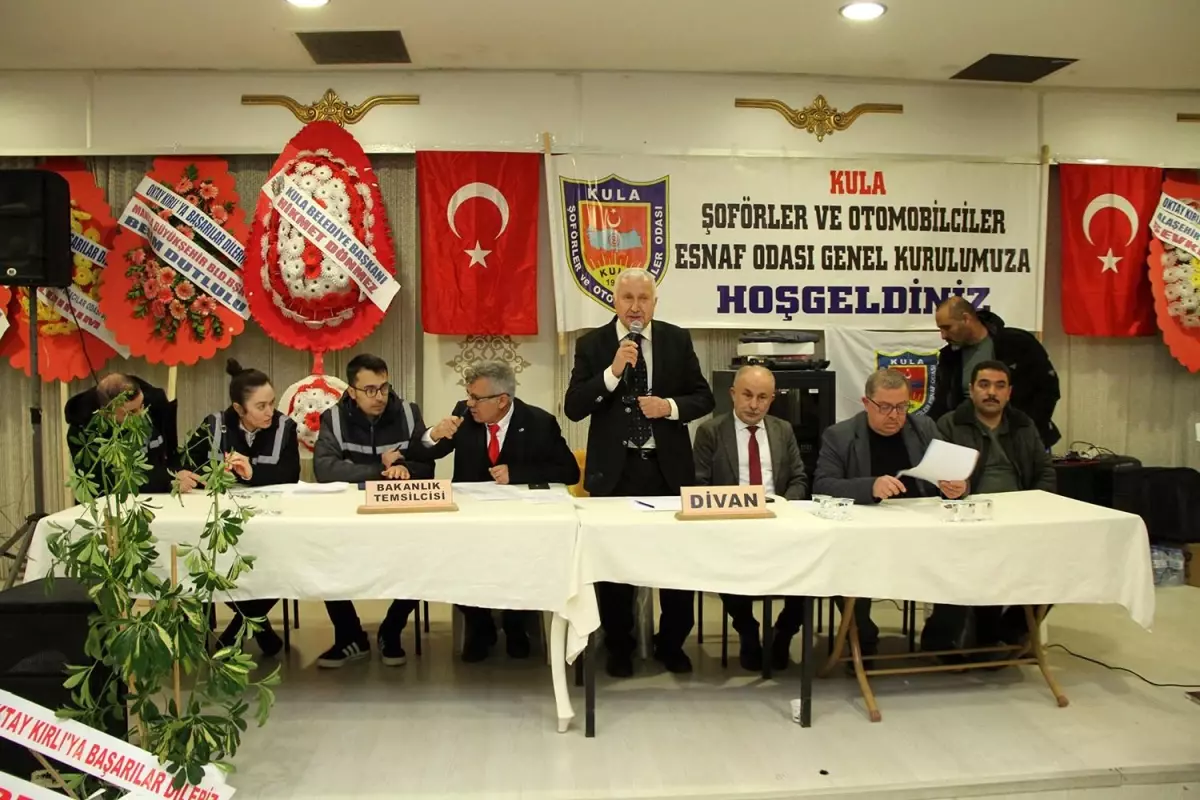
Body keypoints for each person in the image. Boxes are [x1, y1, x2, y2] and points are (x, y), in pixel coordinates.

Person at [564, 267, 715, 677]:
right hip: (616, 474)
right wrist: (612, 373)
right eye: (628, 298)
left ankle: (672, 643)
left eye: (643, 298)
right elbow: (574, 406)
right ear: (614, 301)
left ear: (654, 303)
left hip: (667, 472)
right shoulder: (593, 344)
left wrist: (669, 407)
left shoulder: (676, 339)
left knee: (677, 565)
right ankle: (619, 645)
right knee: (615, 568)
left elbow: (704, 398)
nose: (635, 307)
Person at [412, 360, 580, 662]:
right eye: (468, 395)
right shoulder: (464, 414)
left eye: (476, 398)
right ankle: (481, 626)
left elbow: (569, 471)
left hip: (519, 522)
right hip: (471, 522)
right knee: (451, 558)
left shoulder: (539, 422)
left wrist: (518, 473)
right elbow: (422, 452)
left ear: (502, 400)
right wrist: (434, 433)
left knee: (524, 560)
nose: (469, 403)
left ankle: (516, 626)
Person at [812, 368, 967, 655]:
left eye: (902, 407)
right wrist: (870, 486)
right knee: (841, 559)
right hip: (865, 536)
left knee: (965, 560)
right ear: (866, 402)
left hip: (924, 531)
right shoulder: (840, 435)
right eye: (884, 407)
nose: (894, 415)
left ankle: (939, 638)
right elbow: (822, 485)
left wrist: (957, 487)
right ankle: (863, 638)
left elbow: (952, 475)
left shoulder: (924, 429)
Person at [921, 360, 1056, 656]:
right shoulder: (950, 424)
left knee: (1060, 564)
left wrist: (1038, 505)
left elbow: (1045, 471)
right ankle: (959, 638)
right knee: (973, 566)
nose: (991, 392)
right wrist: (957, 492)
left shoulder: (1023, 424)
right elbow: (939, 478)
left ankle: (1009, 633)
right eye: (984, 385)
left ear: (1009, 392)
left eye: (999, 386)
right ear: (971, 390)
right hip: (969, 517)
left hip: (1021, 516)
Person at [313, 354, 435, 668]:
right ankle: (349, 635)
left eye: (383, 387)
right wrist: (379, 470)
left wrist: (405, 468)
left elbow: (426, 466)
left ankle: (392, 629)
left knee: (425, 555)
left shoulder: (408, 413)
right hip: (348, 516)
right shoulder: (334, 418)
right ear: (351, 391)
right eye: (369, 390)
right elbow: (325, 469)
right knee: (323, 556)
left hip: (399, 514)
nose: (379, 396)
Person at [692, 365, 808, 672]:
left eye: (762, 397)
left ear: (772, 399)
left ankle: (785, 632)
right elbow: (699, 485)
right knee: (724, 562)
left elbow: (799, 478)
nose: (754, 405)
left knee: (812, 565)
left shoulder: (783, 430)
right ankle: (746, 628)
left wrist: (783, 507)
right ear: (732, 394)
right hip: (731, 525)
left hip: (779, 522)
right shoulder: (710, 432)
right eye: (747, 395)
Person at [185, 359, 301, 658]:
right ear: (239, 408)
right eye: (261, 406)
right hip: (221, 520)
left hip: (270, 522)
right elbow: (186, 464)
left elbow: (290, 473)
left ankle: (237, 629)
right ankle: (257, 627)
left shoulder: (284, 426)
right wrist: (204, 474)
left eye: (272, 403)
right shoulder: (214, 425)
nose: (270, 411)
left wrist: (252, 473)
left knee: (284, 564)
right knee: (209, 564)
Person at [930, 296, 1061, 448]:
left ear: (966, 319)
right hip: (969, 443)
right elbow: (942, 403)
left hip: (1022, 440)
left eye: (947, 327)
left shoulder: (1018, 343)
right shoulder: (949, 356)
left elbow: (1048, 389)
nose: (943, 335)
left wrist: (1026, 431)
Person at [64, 373, 199, 495]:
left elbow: (168, 455)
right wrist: (166, 480)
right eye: (130, 412)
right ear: (106, 413)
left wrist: (177, 474)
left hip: (157, 498)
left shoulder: (154, 403)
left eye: (142, 405)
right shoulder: (83, 431)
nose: (140, 414)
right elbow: (106, 482)